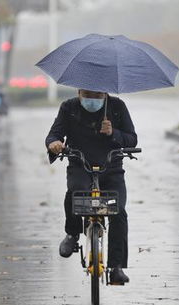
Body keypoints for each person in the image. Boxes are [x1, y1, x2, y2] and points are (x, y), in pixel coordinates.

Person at [45, 89, 137, 284]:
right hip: (80, 165)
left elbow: (132, 138)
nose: (92, 100)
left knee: (118, 211)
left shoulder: (117, 107)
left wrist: (114, 133)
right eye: (88, 95)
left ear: (105, 94)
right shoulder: (68, 108)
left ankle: (116, 267)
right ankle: (72, 234)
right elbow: (54, 134)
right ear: (79, 92)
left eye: (97, 96)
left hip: (111, 168)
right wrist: (54, 143)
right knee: (75, 194)